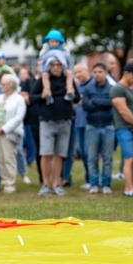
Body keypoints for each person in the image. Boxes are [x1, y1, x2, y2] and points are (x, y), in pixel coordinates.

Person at [30, 57, 80, 196]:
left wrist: (71, 91)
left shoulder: (67, 79)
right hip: (47, 121)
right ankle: (45, 185)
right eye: (53, 65)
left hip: (65, 121)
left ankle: (56, 184)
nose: (56, 67)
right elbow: (31, 98)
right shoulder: (43, 80)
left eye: (59, 65)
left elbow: (76, 98)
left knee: (60, 154)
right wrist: (42, 95)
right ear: (49, 66)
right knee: (46, 153)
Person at [0, 74, 26, 194]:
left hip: (9, 133)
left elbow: (19, 117)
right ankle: (5, 181)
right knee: (0, 158)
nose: (1, 86)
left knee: (9, 158)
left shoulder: (19, 99)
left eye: (3, 84)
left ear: (11, 85)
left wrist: (4, 128)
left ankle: (10, 183)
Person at [110, 62, 133, 196]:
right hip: (124, 128)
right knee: (129, 158)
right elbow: (123, 110)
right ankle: (128, 189)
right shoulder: (117, 89)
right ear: (126, 73)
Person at [83, 62, 115, 194]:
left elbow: (111, 103)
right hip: (92, 127)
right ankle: (94, 183)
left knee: (107, 158)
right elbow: (85, 106)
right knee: (92, 157)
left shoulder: (112, 89)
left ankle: (106, 183)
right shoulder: (88, 89)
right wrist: (103, 103)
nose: (97, 74)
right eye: (95, 72)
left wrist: (95, 101)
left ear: (106, 73)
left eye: (100, 72)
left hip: (108, 126)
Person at [70, 63, 92, 188]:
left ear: (86, 70)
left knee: (91, 153)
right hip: (79, 123)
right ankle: (88, 178)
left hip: (90, 122)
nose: (78, 75)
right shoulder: (77, 87)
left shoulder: (93, 85)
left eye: (80, 72)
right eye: (76, 72)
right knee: (83, 153)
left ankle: (93, 179)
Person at [39, 29, 75, 104]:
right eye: (52, 42)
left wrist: (55, 54)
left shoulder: (63, 48)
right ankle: (48, 93)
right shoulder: (46, 48)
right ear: (48, 42)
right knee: (44, 75)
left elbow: (67, 56)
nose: (54, 44)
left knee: (69, 73)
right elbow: (42, 56)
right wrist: (56, 54)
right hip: (47, 67)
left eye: (56, 42)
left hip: (62, 67)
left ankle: (69, 91)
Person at [20, 63, 42, 184]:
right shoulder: (29, 82)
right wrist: (42, 96)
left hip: (50, 118)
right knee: (39, 149)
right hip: (33, 120)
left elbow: (30, 98)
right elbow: (25, 99)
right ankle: (42, 178)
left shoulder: (50, 81)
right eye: (38, 64)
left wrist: (33, 96)